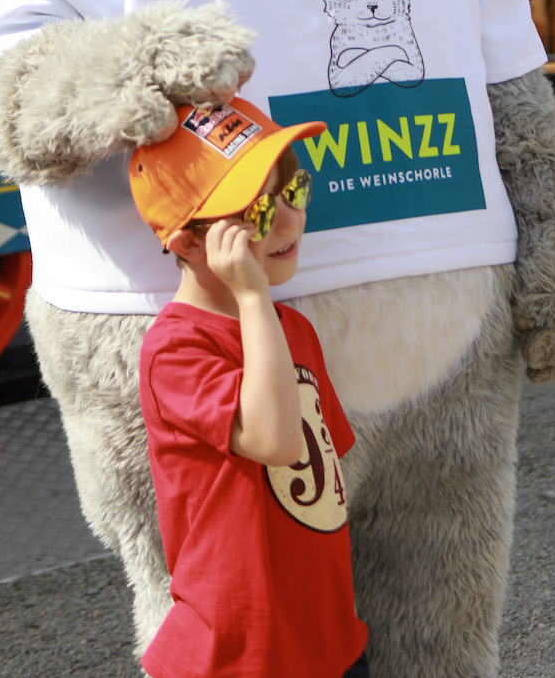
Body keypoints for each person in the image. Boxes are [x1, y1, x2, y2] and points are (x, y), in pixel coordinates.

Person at [131, 96, 369, 678]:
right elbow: (275, 441)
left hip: (326, 640)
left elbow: (327, 476)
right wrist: (253, 295)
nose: (289, 221)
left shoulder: (293, 329)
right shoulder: (176, 350)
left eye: (293, 191)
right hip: (239, 656)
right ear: (188, 242)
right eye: (258, 212)